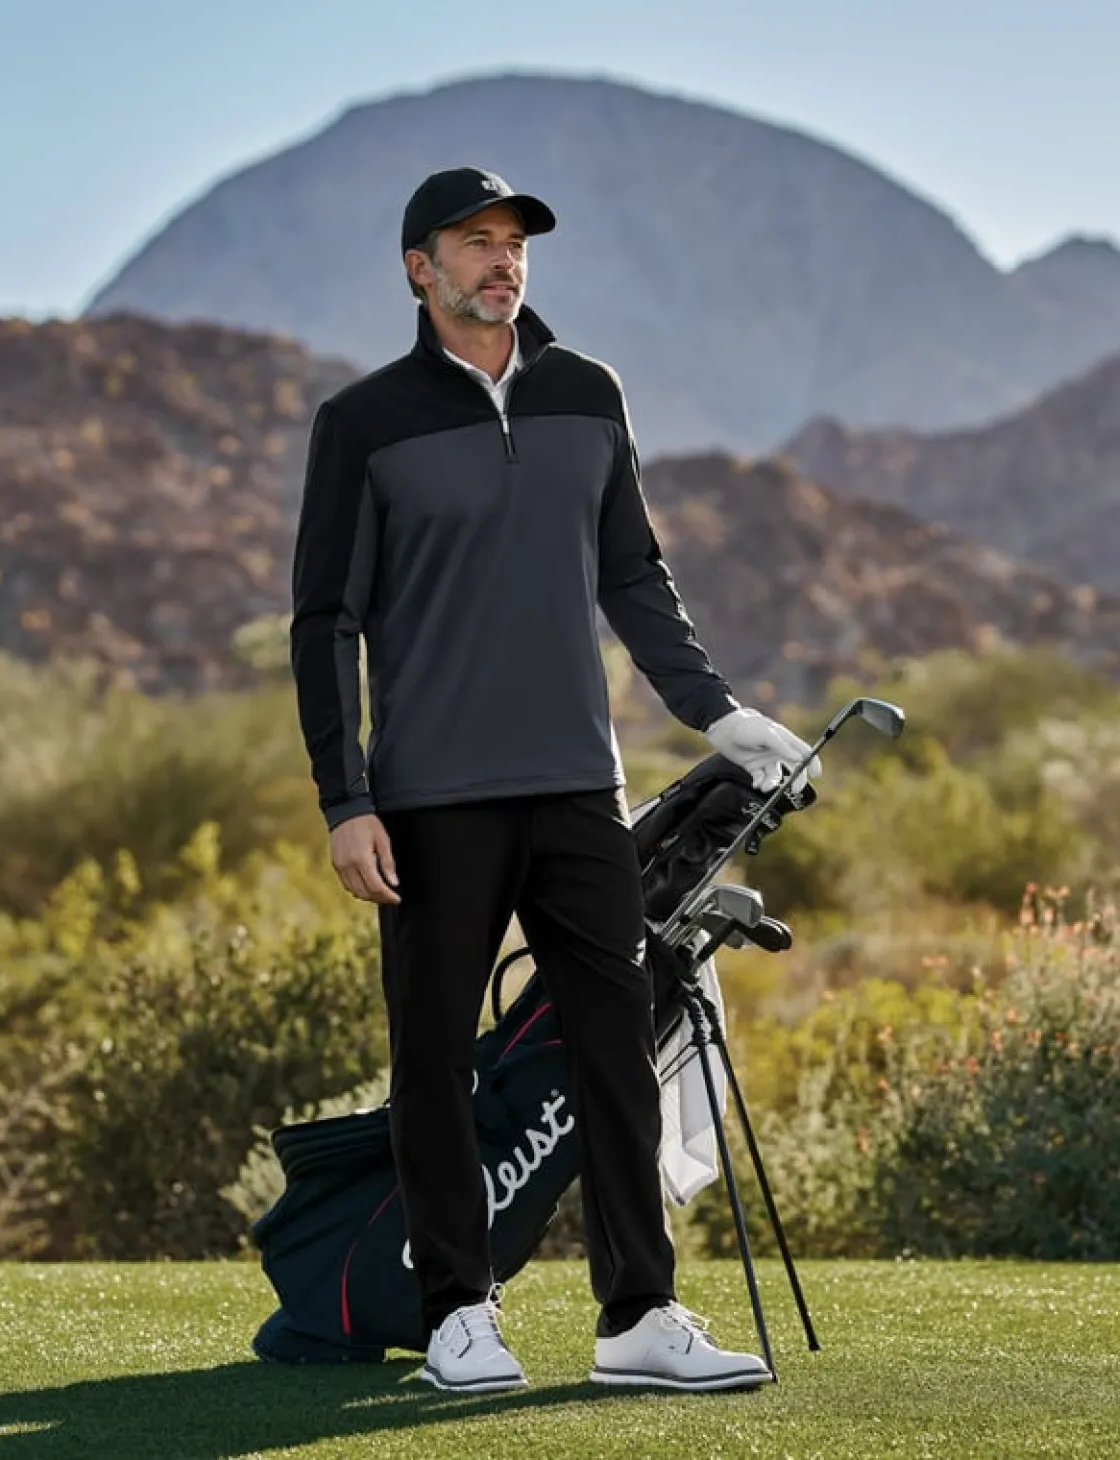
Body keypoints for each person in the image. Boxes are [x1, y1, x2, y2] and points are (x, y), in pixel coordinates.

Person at [289, 166, 820, 1395]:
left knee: (616, 1046)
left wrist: (719, 712)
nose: (502, 260)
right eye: (474, 241)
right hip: (428, 800)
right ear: (417, 267)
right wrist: (345, 799)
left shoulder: (588, 392)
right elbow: (324, 622)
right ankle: (457, 1312)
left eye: (514, 241)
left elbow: (631, 571)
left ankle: (638, 1314)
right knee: (434, 1057)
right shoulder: (364, 421)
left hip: (580, 785)